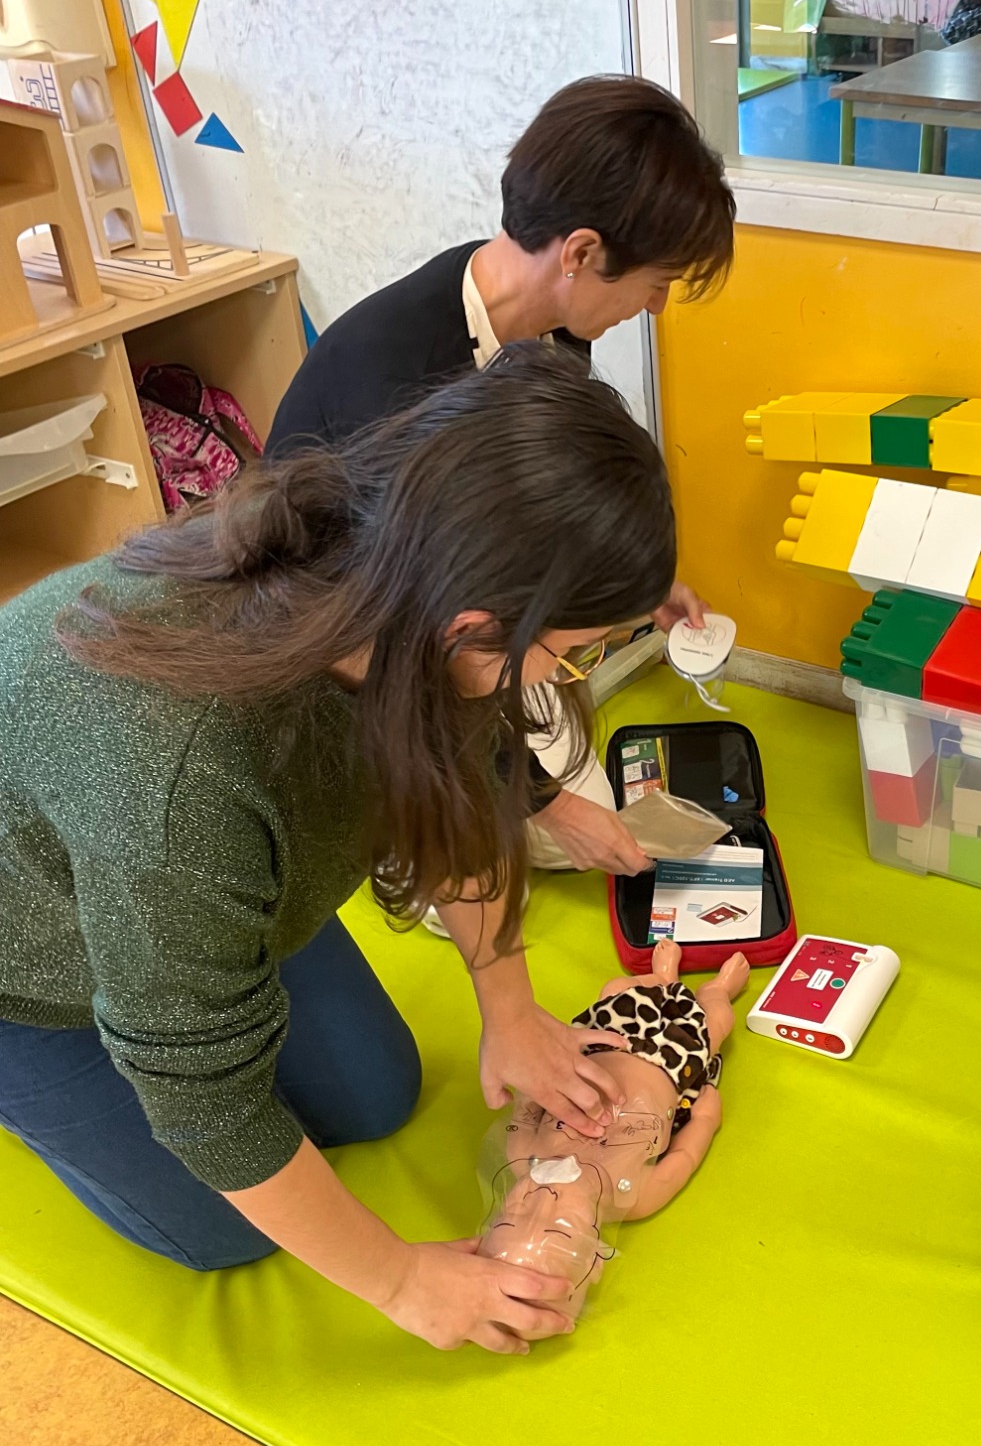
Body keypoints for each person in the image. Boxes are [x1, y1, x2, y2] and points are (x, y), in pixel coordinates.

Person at [0, 350, 677, 1356]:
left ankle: (192, 975)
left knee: (376, 1094)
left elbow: (471, 786)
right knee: (227, 1228)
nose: (564, 675)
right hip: (30, 964)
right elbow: (204, 1098)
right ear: (473, 628)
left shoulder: (412, 594)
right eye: (570, 653)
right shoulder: (185, 773)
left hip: (190, 890)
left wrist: (510, 1008)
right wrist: (403, 1280)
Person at [266, 73, 737, 880]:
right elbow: (413, 636)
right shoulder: (402, 378)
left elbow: (538, 519)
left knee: (588, 805)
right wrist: (543, 801)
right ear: (581, 253)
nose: (658, 307)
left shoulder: (550, 327)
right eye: (657, 284)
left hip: (460, 613)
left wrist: (630, 588)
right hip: (349, 655)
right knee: (506, 850)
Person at [477, 939, 749, 1324]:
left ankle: (663, 978)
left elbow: (527, 1106)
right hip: (672, 1064)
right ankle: (717, 990)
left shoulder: (523, 1157)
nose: (543, 1199)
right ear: (595, 1257)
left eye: (512, 1214)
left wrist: (531, 1081)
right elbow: (683, 1158)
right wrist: (705, 1121)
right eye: (559, 1227)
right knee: (715, 1021)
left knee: (616, 989)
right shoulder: (634, 1198)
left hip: (603, 1046)